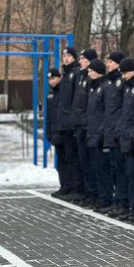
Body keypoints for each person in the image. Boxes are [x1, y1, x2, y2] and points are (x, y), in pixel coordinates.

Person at [116, 57, 134, 222]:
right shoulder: (128, 87)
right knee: (128, 175)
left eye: (125, 72)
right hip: (125, 137)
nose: (123, 76)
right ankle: (132, 207)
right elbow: (125, 114)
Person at [101, 50, 127, 214]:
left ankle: (123, 203)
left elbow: (124, 109)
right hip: (110, 131)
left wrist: (118, 129)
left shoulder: (121, 82)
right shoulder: (109, 82)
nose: (107, 64)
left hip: (118, 133)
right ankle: (117, 201)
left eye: (110, 61)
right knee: (114, 168)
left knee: (121, 170)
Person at [73, 49, 98, 206]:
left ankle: (93, 194)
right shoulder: (81, 77)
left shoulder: (91, 81)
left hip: (88, 127)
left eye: (83, 59)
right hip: (80, 126)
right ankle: (87, 192)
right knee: (83, 163)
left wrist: (84, 124)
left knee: (91, 164)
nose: (80, 61)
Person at [55, 47, 81, 200]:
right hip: (64, 124)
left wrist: (72, 121)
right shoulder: (65, 75)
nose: (66, 58)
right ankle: (67, 186)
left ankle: (74, 188)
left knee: (73, 158)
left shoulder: (75, 74)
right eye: (64, 56)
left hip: (71, 125)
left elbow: (74, 102)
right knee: (65, 158)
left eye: (69, 56)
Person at [86, 59, 111, 210]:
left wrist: (101, 133)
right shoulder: (93, 87)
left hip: (100, 135)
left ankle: (106, 199)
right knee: (95, 169)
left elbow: (107, 113)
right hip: (92, 134)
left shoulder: (105, 87)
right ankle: (100, 197)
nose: (89, 73)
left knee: (104, 170)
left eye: (91, 71)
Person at [45, 67, 64, 197]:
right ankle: (63, 186)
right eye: (50, 79)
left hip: (63, 132)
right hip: (54, 132)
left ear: (60, 78)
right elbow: (49, 116)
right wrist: (49, 132)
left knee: (67, 161)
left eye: (54, 78)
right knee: (60, 162)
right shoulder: (50, 93)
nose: (51, 81)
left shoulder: (63, 92)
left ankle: (69, 186)